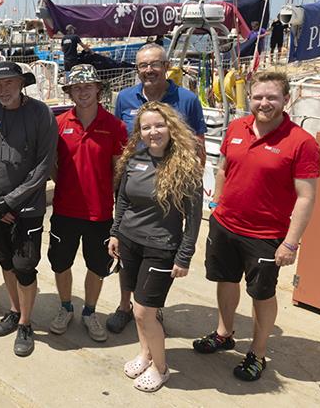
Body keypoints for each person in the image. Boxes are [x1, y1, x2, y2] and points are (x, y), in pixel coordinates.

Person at [193, 71, 320, 382]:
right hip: (224, 225)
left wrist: (290, 243)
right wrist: (216, 203)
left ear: (285, 100)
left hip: (265, 235)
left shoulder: (302, 143)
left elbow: (306, 197)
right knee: (225, 279)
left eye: (271, 97)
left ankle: (258, 353)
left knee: (262, 293)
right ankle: (224, 334)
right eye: (258, 96)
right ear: (249, 98)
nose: (264, 103)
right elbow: (223, 167)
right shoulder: (236, 127)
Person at [108, 42, 206, 333]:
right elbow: (120, 141)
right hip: (133, 179)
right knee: (127, 249)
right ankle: (125, 305)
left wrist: (192, 182)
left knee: (159, 249)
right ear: (137, 69)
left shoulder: (187, 99)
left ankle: (151, 306)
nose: (148, 70)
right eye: (142, 65)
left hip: (171, 183)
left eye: (154, 64)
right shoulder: (125, 98)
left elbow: (198, 143)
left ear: (166, 66)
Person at [107, 101, 202, 392]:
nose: (153, 132)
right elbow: (123, 199)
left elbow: (194, 218)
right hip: (129, 243)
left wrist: (184, 256)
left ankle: (161, 368)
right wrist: (115, 233)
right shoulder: (134, 159)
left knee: (144, 312)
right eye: (146, 127)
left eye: (159, 125)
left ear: (171, 128)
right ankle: (146, 353)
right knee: (137, 304)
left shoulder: (186, 166)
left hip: (161, 248)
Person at [0, 61, 57, 357]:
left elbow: (43, 166)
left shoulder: (41, 113)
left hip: (27, 208)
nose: (3, 89)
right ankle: (13, 309)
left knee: (24, 267)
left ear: (22, 84)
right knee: (5, 260)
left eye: (9, 83)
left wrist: (11, 201)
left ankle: (25, 322)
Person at [49, 65, 128, 342]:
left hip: (100, 213)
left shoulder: (115, 126)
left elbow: (118, 171)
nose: (82, 92)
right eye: (76, 88)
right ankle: (66, 307)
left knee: (97, 266)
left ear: (98, 89)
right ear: (69, 92)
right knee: (60, 263)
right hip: (64, 210)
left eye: (87, 86)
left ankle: (90, 312)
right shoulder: (58, 125)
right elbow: (53, 166)